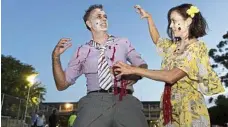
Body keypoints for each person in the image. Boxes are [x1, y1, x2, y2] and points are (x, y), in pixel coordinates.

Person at [113, 4, 225, 127]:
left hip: (188, 109)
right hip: (169, 106)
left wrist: (133, 69)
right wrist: (149, 18)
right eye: (170, 21)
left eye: (174, 21)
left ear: (188, 22)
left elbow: (171, 76)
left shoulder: (197, 49)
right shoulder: (173, 47)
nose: (171, 25)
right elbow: (157, 39)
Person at [52, 4, 149, 127]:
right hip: (95, 101)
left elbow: (142, 65)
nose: (104, 19)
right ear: (89, 24)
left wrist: (133, 75)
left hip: (125, 98)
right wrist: (55, 58)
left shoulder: (123, 42)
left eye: (105, 16)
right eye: (99, 16)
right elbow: (61, 84)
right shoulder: (81, 51)